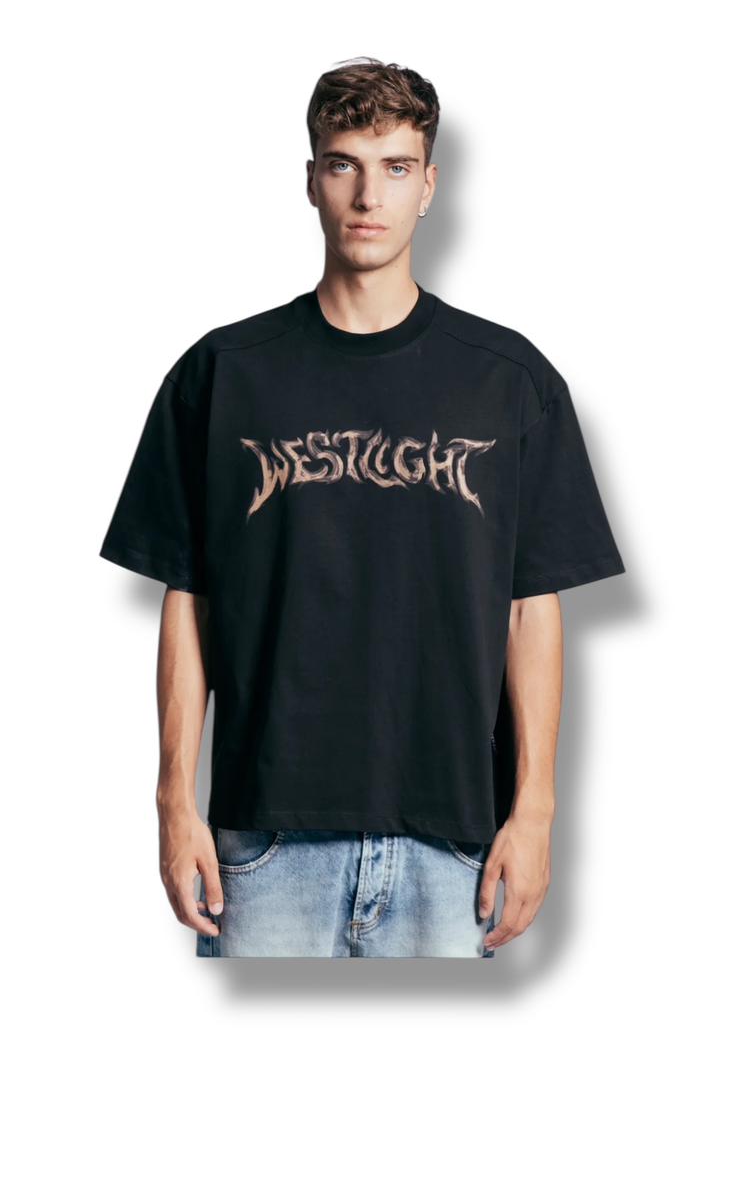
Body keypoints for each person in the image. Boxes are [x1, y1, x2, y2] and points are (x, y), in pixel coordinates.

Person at [99, 56, 626, 959]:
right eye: (344, 164)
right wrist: (173, 802)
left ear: (430, 186)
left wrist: (536, 812)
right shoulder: (222, 375)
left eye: (395, 166)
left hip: (455, 842)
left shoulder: (509, 381)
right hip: (262, 843)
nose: (368, 195)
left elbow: (530, 605)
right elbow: (188, 599)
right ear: (311, 180)